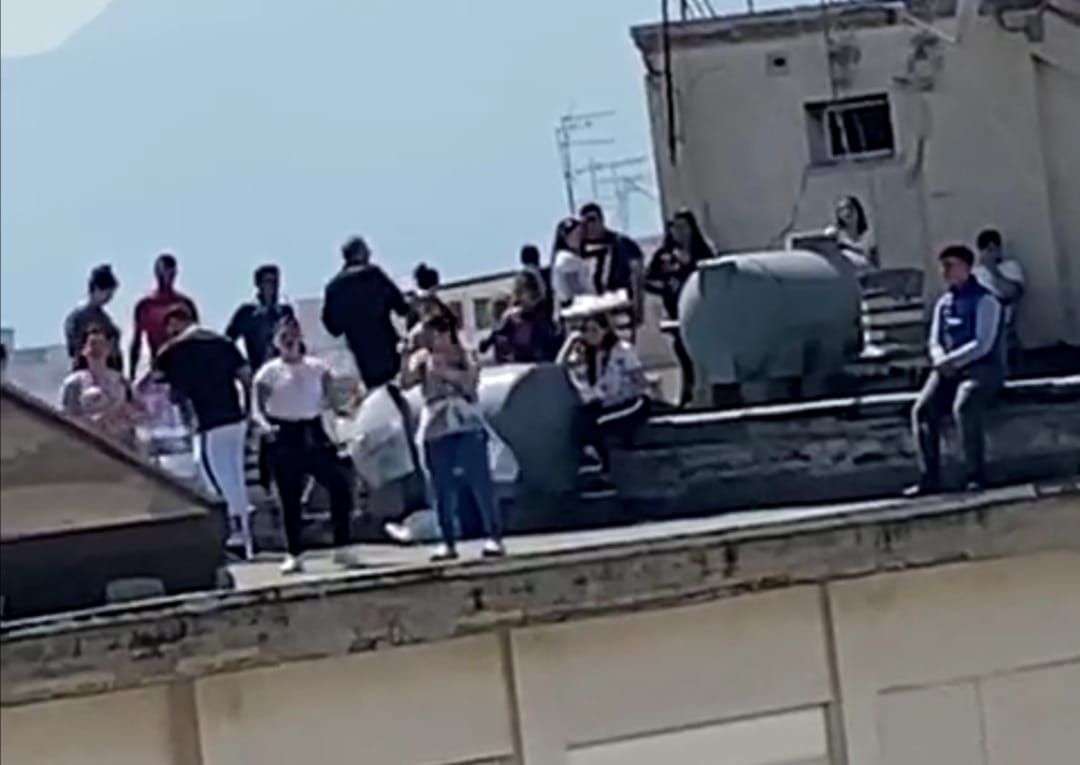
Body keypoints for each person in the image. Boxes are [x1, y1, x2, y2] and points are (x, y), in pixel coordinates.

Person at [253, 317, 357, 574]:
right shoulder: (268, 372)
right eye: (284, 336)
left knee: (339, 485)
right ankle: (294, 553)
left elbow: (332, 400)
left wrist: (345, 413)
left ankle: (342, 546)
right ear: (276, 341)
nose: (289, 340)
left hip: (313, 430)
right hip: (284, 433)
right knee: (289, 497)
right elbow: (256, 409)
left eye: (293, 334)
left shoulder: (318, 367)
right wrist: (265, 427)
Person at [403, 312, 504, 561]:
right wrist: (407, 355)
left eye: (435, 333)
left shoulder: (465, 354)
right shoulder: (421, 358)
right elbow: (405, 382)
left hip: (465, 421)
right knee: (441, 487)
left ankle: (493, 536)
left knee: (480, 481)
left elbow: (470, 385)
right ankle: (447, 541)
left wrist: (445, 372)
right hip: (436, 425)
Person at [155, 305, 254, 557]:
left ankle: (233, 532)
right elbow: (246, 376)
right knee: (235, 476)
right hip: (234, 417)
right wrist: (249, 410)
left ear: (175, 323)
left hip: (207, 421)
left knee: (212, 476)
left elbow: (162, 385)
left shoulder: (173, 350)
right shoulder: (222, 343)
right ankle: (245, 535)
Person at [908, 245, 1006, 496]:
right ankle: (929, 477)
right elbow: (934, 340)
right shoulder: (944, 303)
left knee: (965, 405)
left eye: (950, 265)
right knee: (922, 410)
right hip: (948, 369)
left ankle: (975, 474)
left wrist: (952, 362)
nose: (945, 272)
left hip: (983, 369)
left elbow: (982, 344)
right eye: (943, 266)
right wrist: (939, 359)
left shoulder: (986, 300)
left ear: (966, 267)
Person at [557, 312, 649, 470]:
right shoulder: (584, 353)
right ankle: (590, 459)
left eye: (594, 330)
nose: (590, 335)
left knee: (599, 423)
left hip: (631, 401)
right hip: (605, 403)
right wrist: (570, 342)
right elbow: (559, 366)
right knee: (579, 419)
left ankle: (603, 465)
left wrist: (623, 390)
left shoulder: (622, 350)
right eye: (586, 331)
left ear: (605, 330)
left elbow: (639, 380)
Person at [321, 236, 411, 391]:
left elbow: (333, 327)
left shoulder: (334, 287)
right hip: (388, 349)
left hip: (362, 357)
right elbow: (401, 307)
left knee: (378, 396)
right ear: (360, 253)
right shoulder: (374, 274)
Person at [645, 209, 712, 407]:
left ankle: (705, 393)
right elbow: (648, 280)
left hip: (700, 312)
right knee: (683, 352)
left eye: (683, 227)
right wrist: (666, 287)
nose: (679, 232)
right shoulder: (664, 255)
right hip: (676, 313)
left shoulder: (701, 250)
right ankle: (687, 393)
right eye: (675, 227)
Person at [60, 325, 138, 447]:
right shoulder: (74, 383)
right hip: (89, 445)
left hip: (120, 445)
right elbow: (68, 417)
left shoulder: (121, 381)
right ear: (84, 350)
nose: (98, 349)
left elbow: (135, 412)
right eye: (93, 344)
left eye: (102, 344)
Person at [130, 253, 200, 379]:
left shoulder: (185, 304)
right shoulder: (145, 305)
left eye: (171, 273)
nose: (168, 277)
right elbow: (137, 342)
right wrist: (132, 374)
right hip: (158, 365)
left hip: (185, 367)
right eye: (164, 272)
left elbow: (197, 337)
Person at [579, 203, 645, 324]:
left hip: (619, 305)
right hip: (592, 310)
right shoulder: (580, 249)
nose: (589, 225)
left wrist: (638, 306)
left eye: (592, 220)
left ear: (601, 220)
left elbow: (637, 274)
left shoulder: (621, 243)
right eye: (584, 223)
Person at [226, 264, 295, 372]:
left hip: (284, 371)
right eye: (268, 282)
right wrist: (242, 364)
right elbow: (228, 341)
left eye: (276, 282)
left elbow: (296, 339)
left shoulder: (284, 311)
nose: (273, 287)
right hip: (257, 369)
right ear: (259, 285)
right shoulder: (248, 312)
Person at [480, 271, 560, 363]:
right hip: (519, 365)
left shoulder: (544, 317)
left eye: (521, 292)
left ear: (534, 293)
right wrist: (487, 343)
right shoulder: (511, 317)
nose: (518, 296)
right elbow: (496, 334)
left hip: (542, 364)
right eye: (517, 292)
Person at [973, 228, 1025, 366]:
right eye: (987, 250)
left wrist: (993, 271)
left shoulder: (1010, 267)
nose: (991, 253)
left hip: (1002, 314)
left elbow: (1012, 293)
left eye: (994, 249)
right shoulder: (975, 274)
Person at [63, 265, 123, 372]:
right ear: (96, 288)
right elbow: (73, 350)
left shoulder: (105, 319)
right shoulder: (78, 318)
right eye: (107, 293)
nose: (110, 298)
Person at [550, 217, 593, 319]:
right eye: (574, 234)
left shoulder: (572, 258)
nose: (578, 237)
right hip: (575, 313)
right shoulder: (567, 260)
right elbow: (576, 291)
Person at [826, 195, 877, 271]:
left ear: (858, 210)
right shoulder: (834, 234)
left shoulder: (869, 238)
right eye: (842, 209)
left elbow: (875, 265)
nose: (847, 211)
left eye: (850, 207)